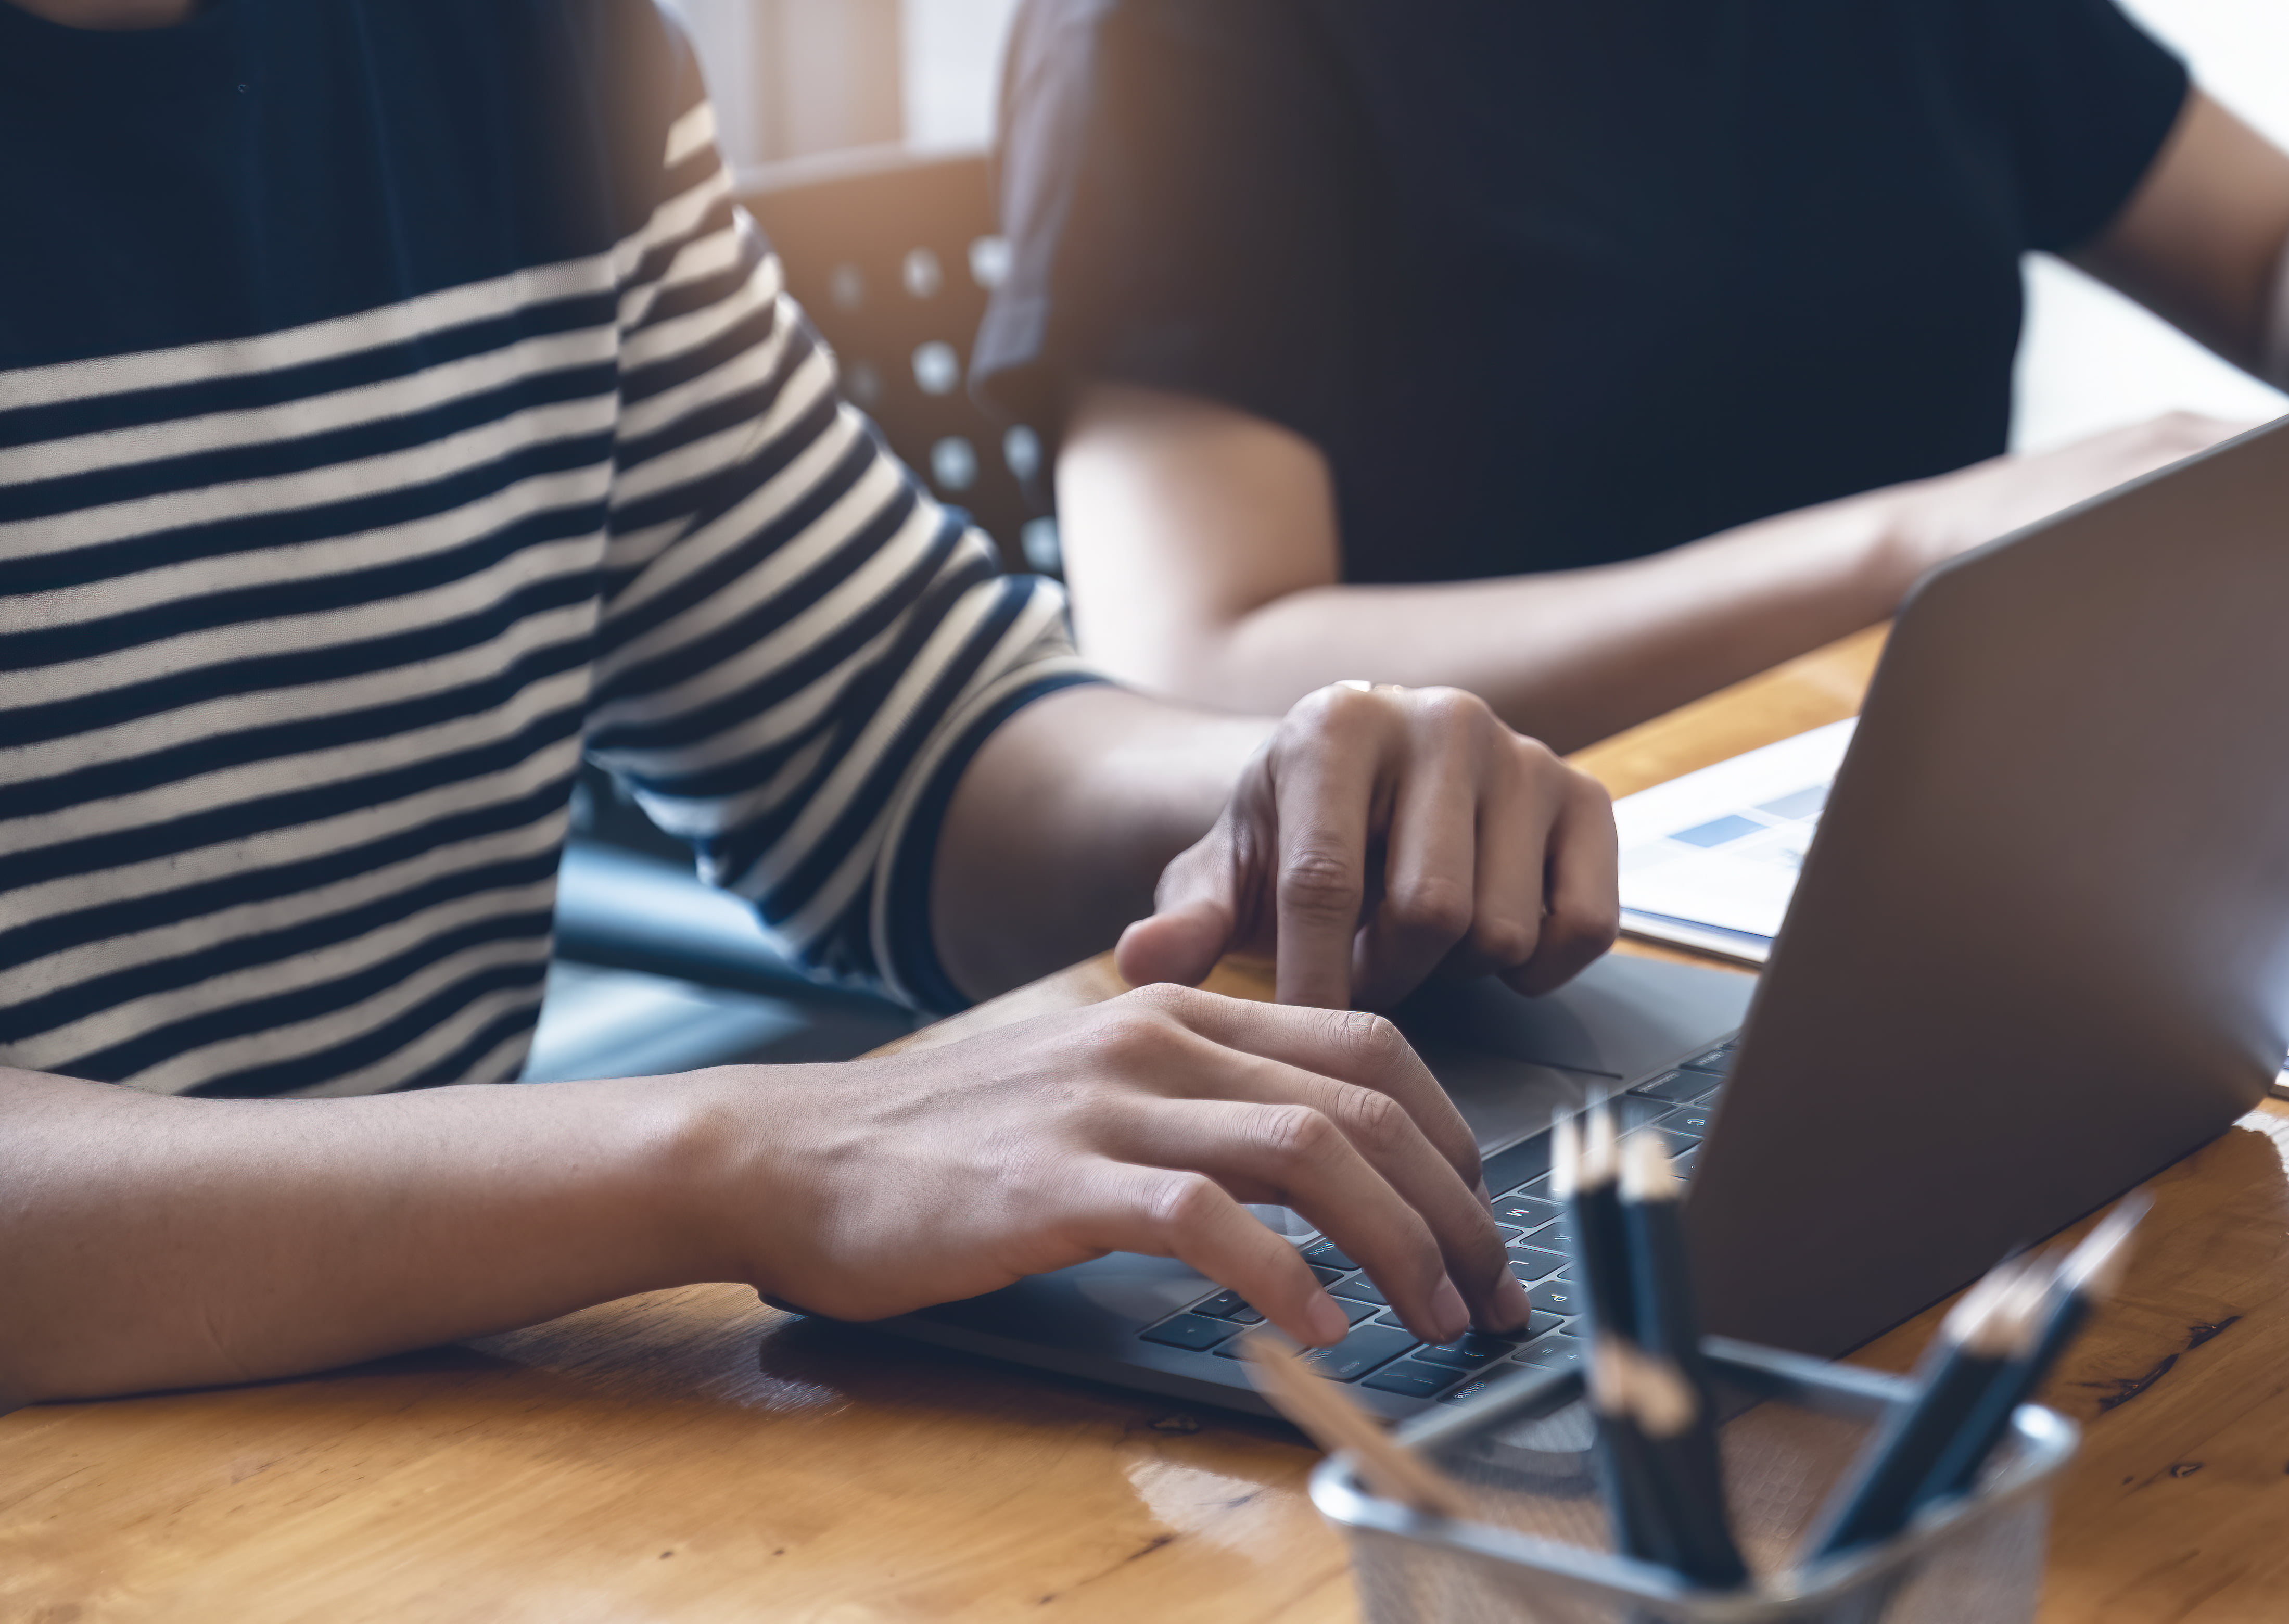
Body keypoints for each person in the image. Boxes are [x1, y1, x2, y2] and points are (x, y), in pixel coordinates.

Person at [0, 0, 1600, 1405]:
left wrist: (1284, 803)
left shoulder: (530, 42)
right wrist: (741, 1155)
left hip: (409, 1441)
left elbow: (888, 716)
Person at [978, 0, 2289, 750]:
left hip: (1921, 824)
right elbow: (1199, 663)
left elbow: (2276, 242)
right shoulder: (1167, 31)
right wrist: (1925, 550)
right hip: (1484, 949)